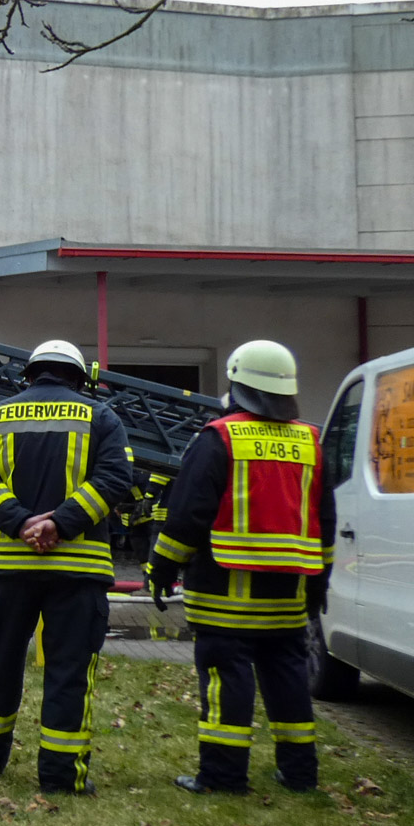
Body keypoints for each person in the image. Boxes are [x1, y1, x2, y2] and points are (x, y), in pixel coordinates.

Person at [149, 340, 334, 795]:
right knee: (289, 679)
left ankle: (223, 776)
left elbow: (189, 513)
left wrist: (161, 567)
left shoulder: (220, 438)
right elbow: (324, 521)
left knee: (226, 680)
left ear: (238, 384)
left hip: (223, 592)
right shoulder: (312, 441)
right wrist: (319, 585)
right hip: (289, 594)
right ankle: (300, 773)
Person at [0, 339, 132, 794]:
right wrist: (61, 523)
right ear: (80, 378)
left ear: (30, 375)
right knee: (70, 670)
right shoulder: (102, 417)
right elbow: (115, 478)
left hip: (8, 570)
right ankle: (60, 775)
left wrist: (20, 523)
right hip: (79, 571)